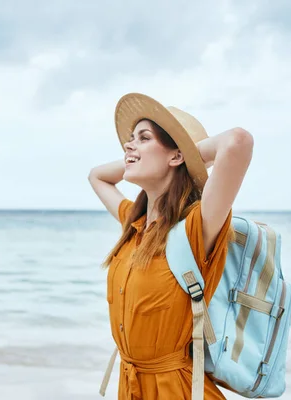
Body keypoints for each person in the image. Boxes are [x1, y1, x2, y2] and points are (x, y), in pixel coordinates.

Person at [88, 93, 254, 399]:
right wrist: (146, 155)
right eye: (130, 139)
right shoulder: (133, 221)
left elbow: (238, 142)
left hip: (177, 391)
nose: (128, 145)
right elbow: (96, 176)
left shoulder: (195, 228)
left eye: (143, 137)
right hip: (130, 386)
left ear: (176, 156)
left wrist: (185, 153)